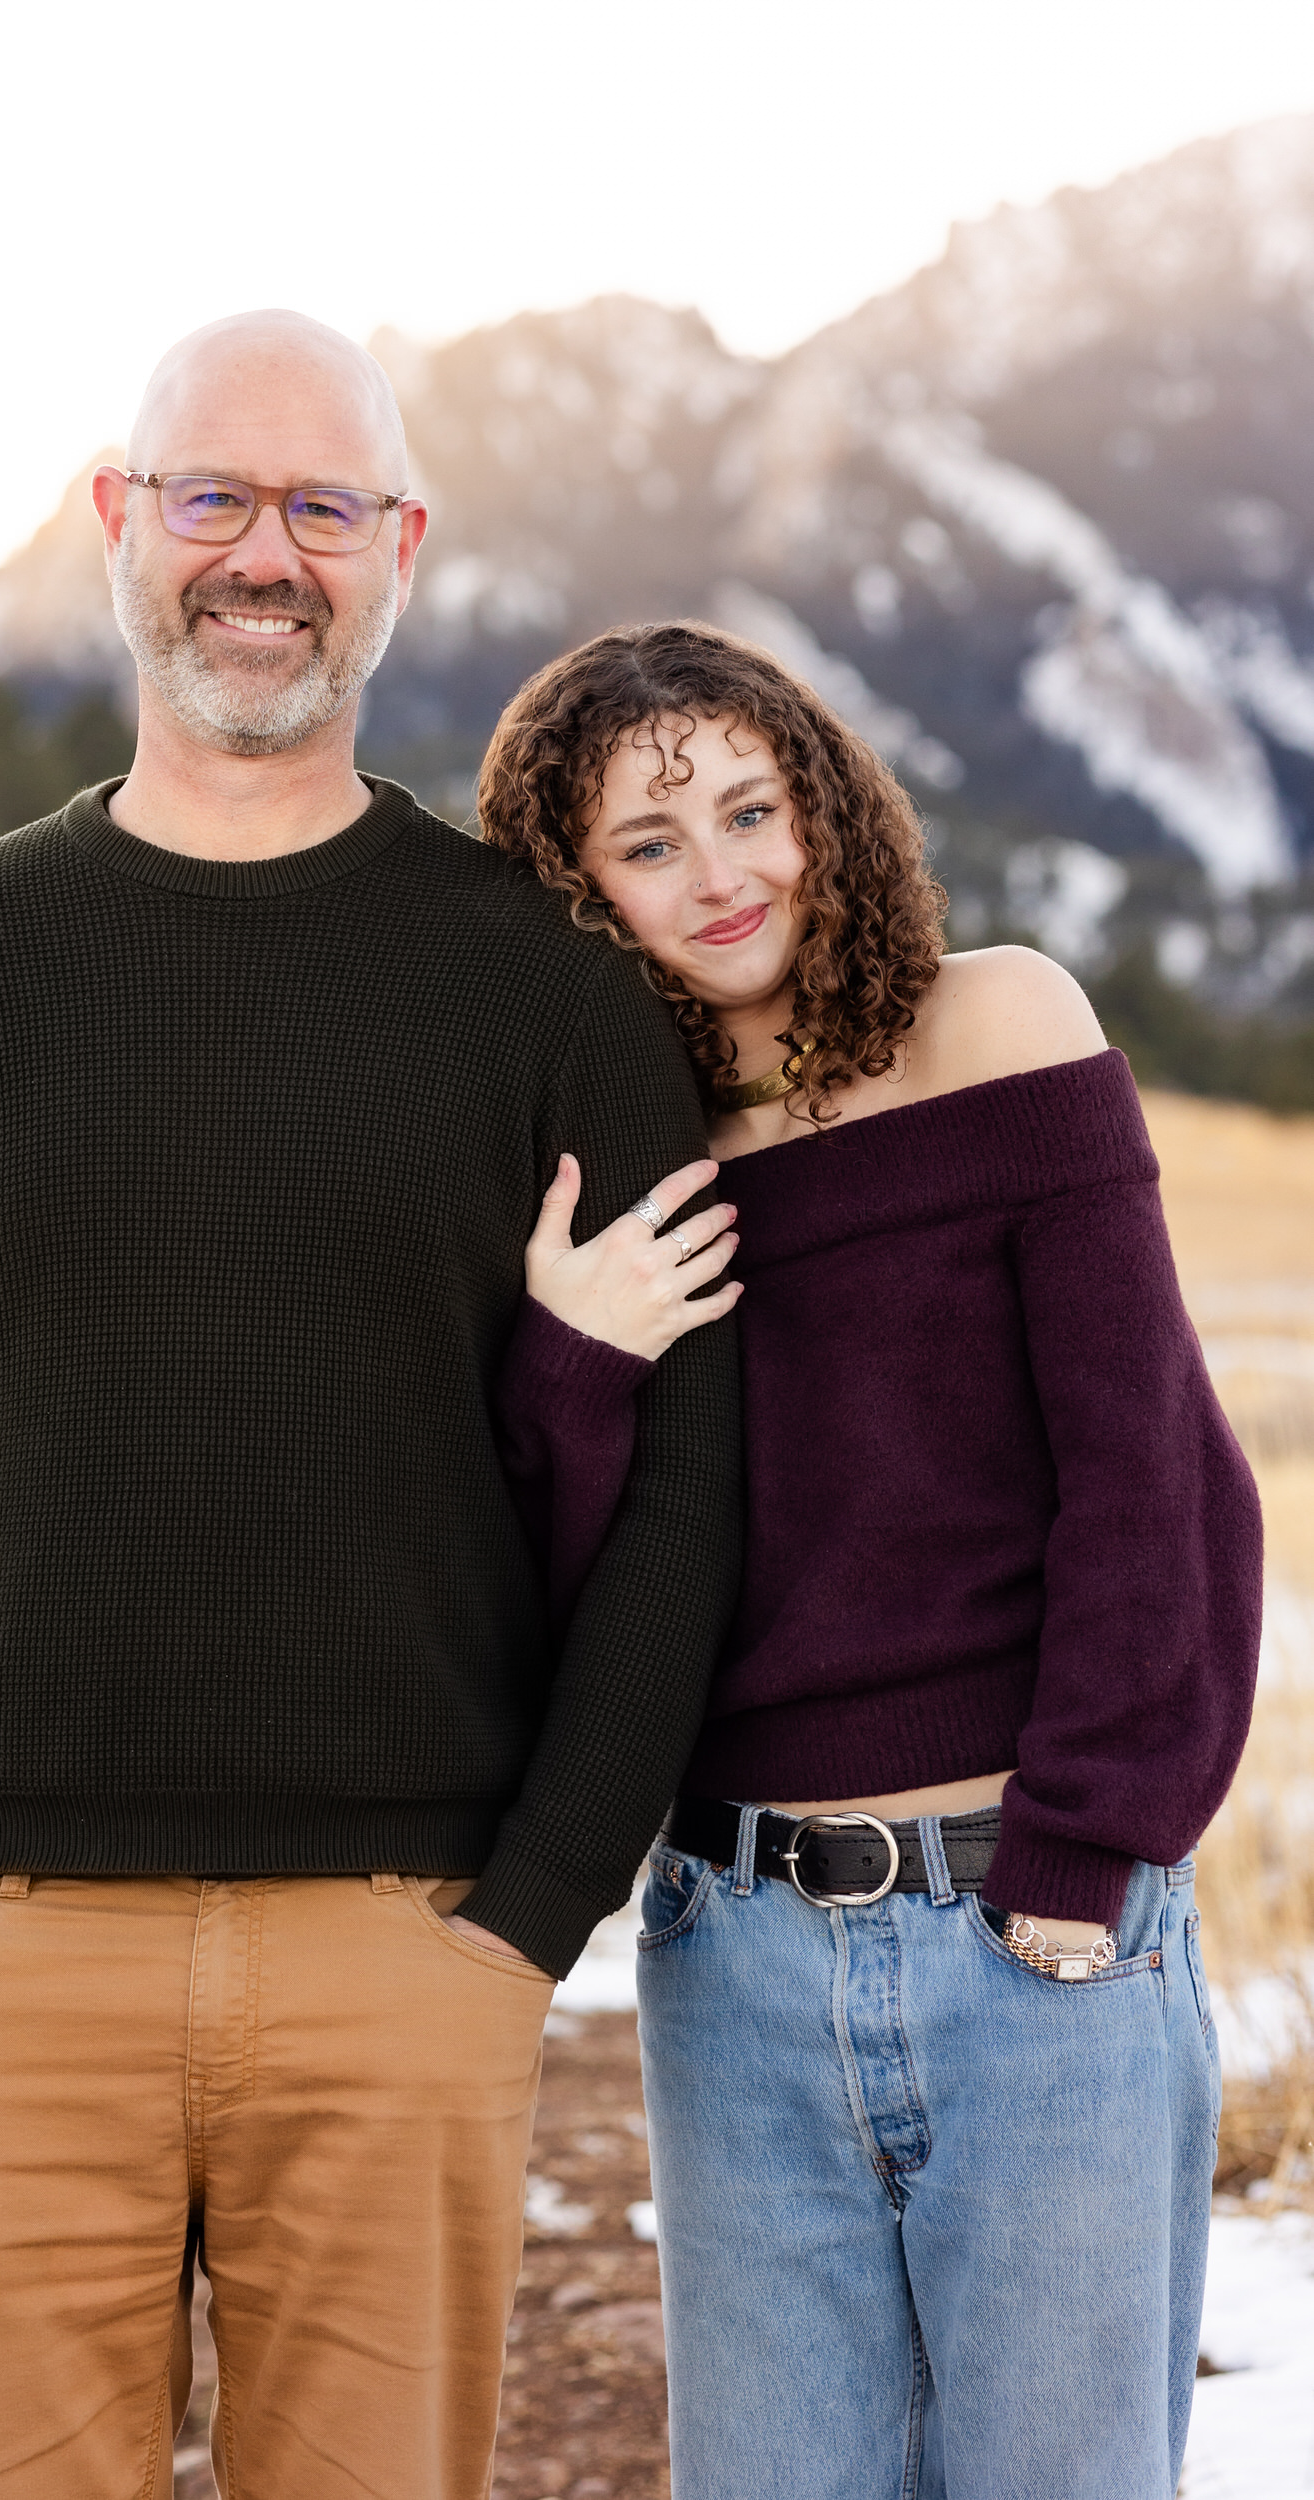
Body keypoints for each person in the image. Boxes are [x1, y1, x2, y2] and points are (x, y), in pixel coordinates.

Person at [0, 325, 743, 2500]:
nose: (261, 556)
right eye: (211, 497)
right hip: (2, 1950)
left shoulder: (554, 983)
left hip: (411, 1952)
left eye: (321, 509)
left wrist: (527, 1920)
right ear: (118, 520)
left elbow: (686, 1482)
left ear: (402, 552)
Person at [480, 620, 1262, 2500]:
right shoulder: (614, 1163)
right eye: (651, 844)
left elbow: (1149, 1477)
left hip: (1037, 1932)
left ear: (827, 809)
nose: (723, 871)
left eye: (754, 808)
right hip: (731, 1949)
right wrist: (575, 1355)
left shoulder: (999, 1028)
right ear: (574, 890)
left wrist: (1085, 1852)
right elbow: (545, 1581)